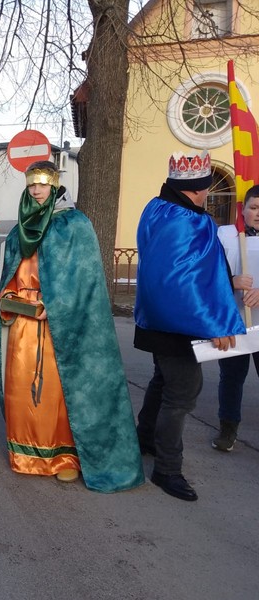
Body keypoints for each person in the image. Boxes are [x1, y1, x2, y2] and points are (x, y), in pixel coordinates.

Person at [0, 161, 144, 493]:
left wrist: (57, 305)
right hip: (22, 326)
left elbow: (85, 281)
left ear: (55, 185)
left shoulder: (74, 225)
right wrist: (8, 298)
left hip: (60, 327)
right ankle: (27, 453)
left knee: (58, 392)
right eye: (31, 185)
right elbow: (9, 276)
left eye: (42, 184)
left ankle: (64, 458)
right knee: (21, 389)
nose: (36, 190)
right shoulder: (20, 231)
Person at [135, 150, 244, 502]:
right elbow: (185, 283)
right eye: (205, 187)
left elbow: (189, 271)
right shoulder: (188, 220)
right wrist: (217, 324)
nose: (207, 192)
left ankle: (145, 438)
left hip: (157, 318)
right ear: (195, 188)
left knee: (163, 381)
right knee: (182, 393)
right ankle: (167, 469)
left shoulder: (156, 208)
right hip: (180, 322)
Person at [212, 185, 259, 451]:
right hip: (234, 320)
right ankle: (228, 428)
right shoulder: (226, 236)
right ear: (243, 209)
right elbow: (208, 272)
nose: (258, 213)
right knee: (231, 376)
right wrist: (231, 281)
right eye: (254, 207)